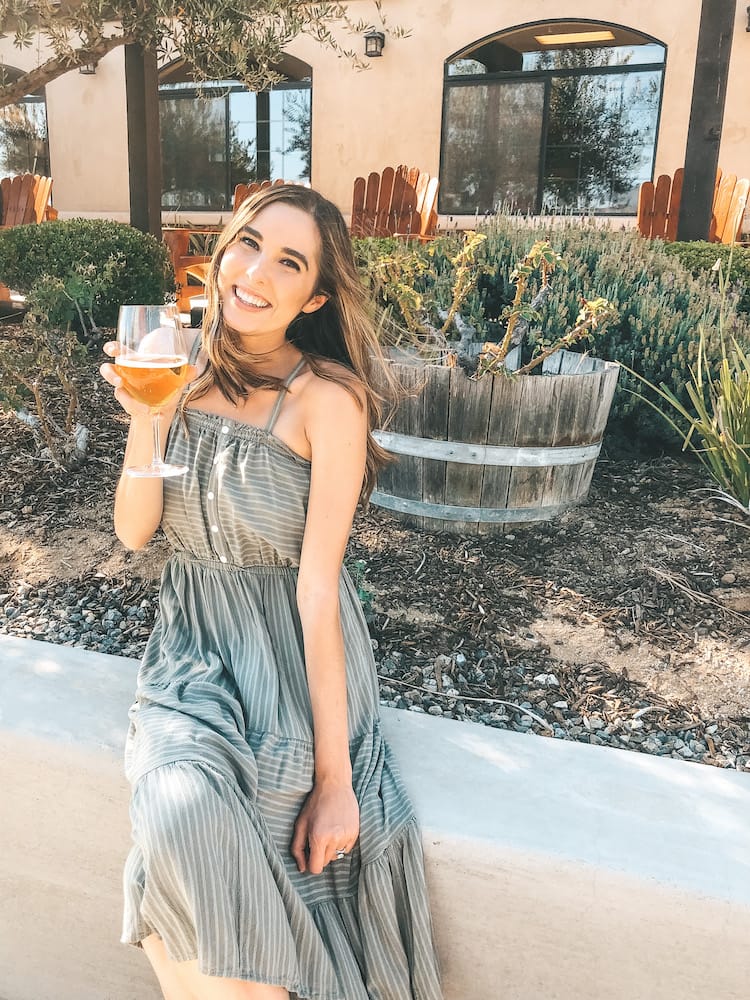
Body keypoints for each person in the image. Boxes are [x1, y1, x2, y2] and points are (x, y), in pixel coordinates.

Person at [100, 184, 442, 1000]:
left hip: (288, 659)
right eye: (248, 243)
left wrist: (336, 781)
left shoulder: (327, 400)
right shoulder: (176, 365)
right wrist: (145, 415)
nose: (255, 272)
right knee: (179, 811)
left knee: (249, 828)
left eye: (289, 262)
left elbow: (318, 591)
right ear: (221, 252)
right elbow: (136, 533)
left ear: (315, 296)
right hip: (192, 659)